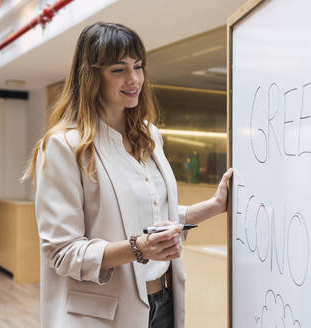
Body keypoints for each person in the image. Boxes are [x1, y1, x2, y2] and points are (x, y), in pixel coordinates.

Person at [22, 22, 233, 328]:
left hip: (164, 303)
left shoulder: (150, 136)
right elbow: (62, 252)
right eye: (118, 69)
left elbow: (152, 216)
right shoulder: (64, 146)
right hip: (105, 316)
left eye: (138, 66)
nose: (134, 79)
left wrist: (214, 205)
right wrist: (137, 248)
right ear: (92, 76)